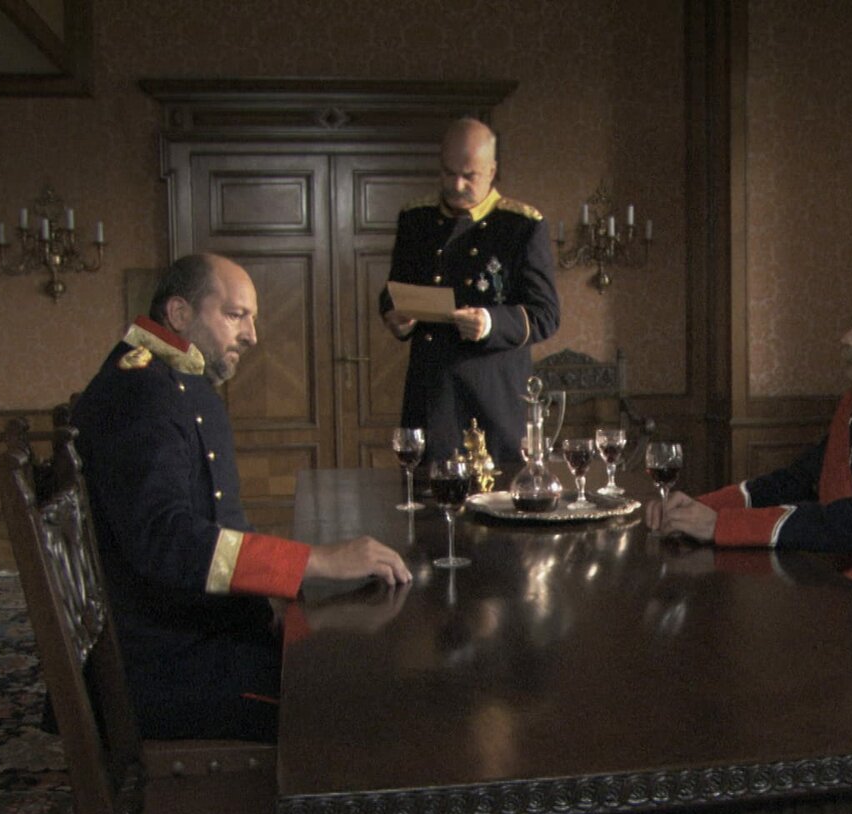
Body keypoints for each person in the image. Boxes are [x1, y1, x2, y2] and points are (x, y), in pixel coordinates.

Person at [73, 253, 411, 742]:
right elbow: (166, 540)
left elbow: (212, 522)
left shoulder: (171, 379)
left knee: (351, 648)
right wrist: (314, 561)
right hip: (170, 665)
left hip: (199, 632)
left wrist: (284, 586)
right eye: (236, 315)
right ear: (180, 313)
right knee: (356, 693)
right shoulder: (141, 392)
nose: (252, 335)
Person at [645, 277, 852, 625]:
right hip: (843, 585)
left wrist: (721, 526)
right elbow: (798, 480)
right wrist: (701, 507)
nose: (846, 338)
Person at [380, 117, 561, 467]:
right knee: (425, 496)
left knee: (497, 495)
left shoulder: (521, 225)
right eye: (448, 173)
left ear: (492, 171)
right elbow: (393, 290)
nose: (456, 184)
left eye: (469, 175)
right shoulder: (416, 220)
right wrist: (396, 316)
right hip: (431, 398)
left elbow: (546, 315)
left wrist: (490, 322)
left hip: (495, 401)